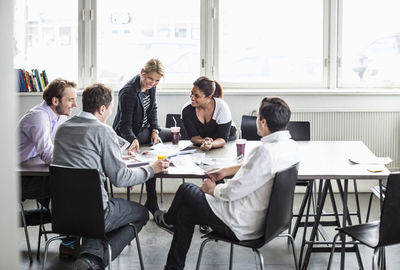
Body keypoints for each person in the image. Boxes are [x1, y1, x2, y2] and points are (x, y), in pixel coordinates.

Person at [154, 97, 301, 270]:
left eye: (257, 117)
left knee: (186, 189)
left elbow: (233, 191)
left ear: (263, 121)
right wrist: (226, 171)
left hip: (241, 222)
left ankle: (167, 220)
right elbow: (259, 169)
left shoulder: (264, 152)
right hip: (267, 222)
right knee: (185, 213)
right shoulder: (290, 147)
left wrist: (213, 189)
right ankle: (172, 267)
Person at [53, 83, 170, 270]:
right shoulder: (103, 131)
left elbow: (82, 163)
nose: (109, 113)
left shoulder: (62, 129)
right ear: (102, 109)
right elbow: (121, 178)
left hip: (62, 214)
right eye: (110, 109)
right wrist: (152, 169)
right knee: (140, 213)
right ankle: (95, 260)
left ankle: (89, 257)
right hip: (98, 214)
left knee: (91, 208)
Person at [17, 78, 78, 258]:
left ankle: (73, 237)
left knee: (66, 199)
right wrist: (76, 162)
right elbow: (47, 152)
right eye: (71, 99)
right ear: (55, 101)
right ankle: (69, 244)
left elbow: (60, 148)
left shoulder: (58, 117)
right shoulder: (38, 116)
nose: (75, 104)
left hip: (32, 172)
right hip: (15, 178)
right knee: (66, 191)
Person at [113, 58, 170, 215]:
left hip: (145, 131)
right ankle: (152, 201)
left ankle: (151, 200)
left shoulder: (151, 87)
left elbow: (153, 110)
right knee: (151, 157)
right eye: (150, 78)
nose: (152, 83)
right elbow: (124, 125)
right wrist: (133, 139)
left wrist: (155, 131)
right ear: (142, 72)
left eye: (157, 80)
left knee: (172, 134)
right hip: (129, 135)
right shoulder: (128, 91)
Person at [181, 76, 236, 151]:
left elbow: (222, 139)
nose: (192, 98)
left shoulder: (222, 108)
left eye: (197, 96)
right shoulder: (186, 110)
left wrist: (211, 144)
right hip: (204, 143)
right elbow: (193, 137)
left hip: (227, 141)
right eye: (192, 93)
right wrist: (203, 142)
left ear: (209, 97)